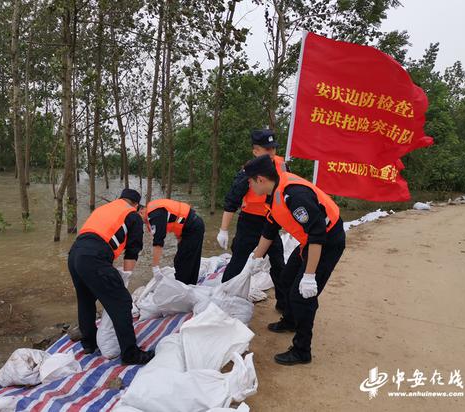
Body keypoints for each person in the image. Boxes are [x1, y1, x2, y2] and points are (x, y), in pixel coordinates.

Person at [244, 154, 346, 366]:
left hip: (326, 242)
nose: (249, 185)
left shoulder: (294, 195)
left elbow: (318, 233)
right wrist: (255, 259)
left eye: (250, 181)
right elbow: (270, 229)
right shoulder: (274, 194)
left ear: (261, 179)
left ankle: (302, 350)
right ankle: (290, 321)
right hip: (309, 242)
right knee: (286, 280)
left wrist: (309, 276)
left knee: (302, 294)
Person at [68, 188, 154, 365]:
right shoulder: (133, 215)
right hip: (93, 257)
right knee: (122, 302)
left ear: (121, 198)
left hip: (74, 254)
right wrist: (126, 275)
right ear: (137, 205)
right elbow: (132, 250)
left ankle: (89, 344)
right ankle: (131, 354)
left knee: (85, 300)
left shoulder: (104, 208)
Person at [217, 129, 287, 312]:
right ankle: (225, 297)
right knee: (238, 261)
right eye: (267, 149)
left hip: (271, 222)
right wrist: (223, 229)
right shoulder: (248, 172)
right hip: (249, 223)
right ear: (255, 151)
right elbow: (232, 201)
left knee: (279, 263)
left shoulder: (282, 165)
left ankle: (284, 304)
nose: (272, 153)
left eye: (273, 148)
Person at [141, 199, 205, 285]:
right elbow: (175, 221)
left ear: (141, 211)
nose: (144, 223)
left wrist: (155, 267)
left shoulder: (155, 215)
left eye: (142, 221)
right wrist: (180, 242)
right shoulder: (153, 210)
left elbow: (158, 242)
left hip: (193, 228)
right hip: (189, 229)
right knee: (181, 260)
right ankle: (187, 285)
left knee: (184, 262)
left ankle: (185, 287)